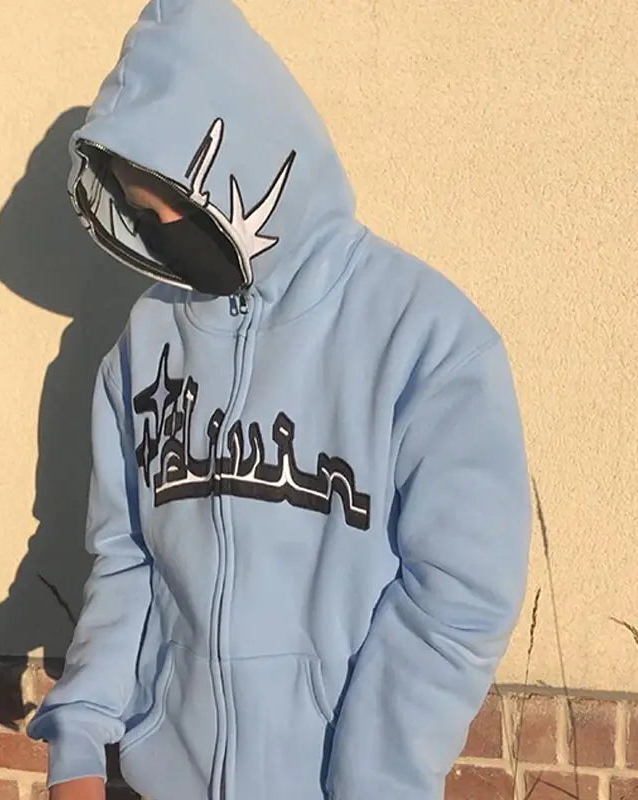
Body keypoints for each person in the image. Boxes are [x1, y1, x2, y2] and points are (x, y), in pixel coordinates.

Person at [26, 0, 532, 798]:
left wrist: (374, 782)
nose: (161, 233)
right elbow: (126, 554)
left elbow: (459, 595)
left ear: (243, 164)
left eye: (174, 206)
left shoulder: (425, 337)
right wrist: (81, 733)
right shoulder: (147, 340)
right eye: (141, 213)